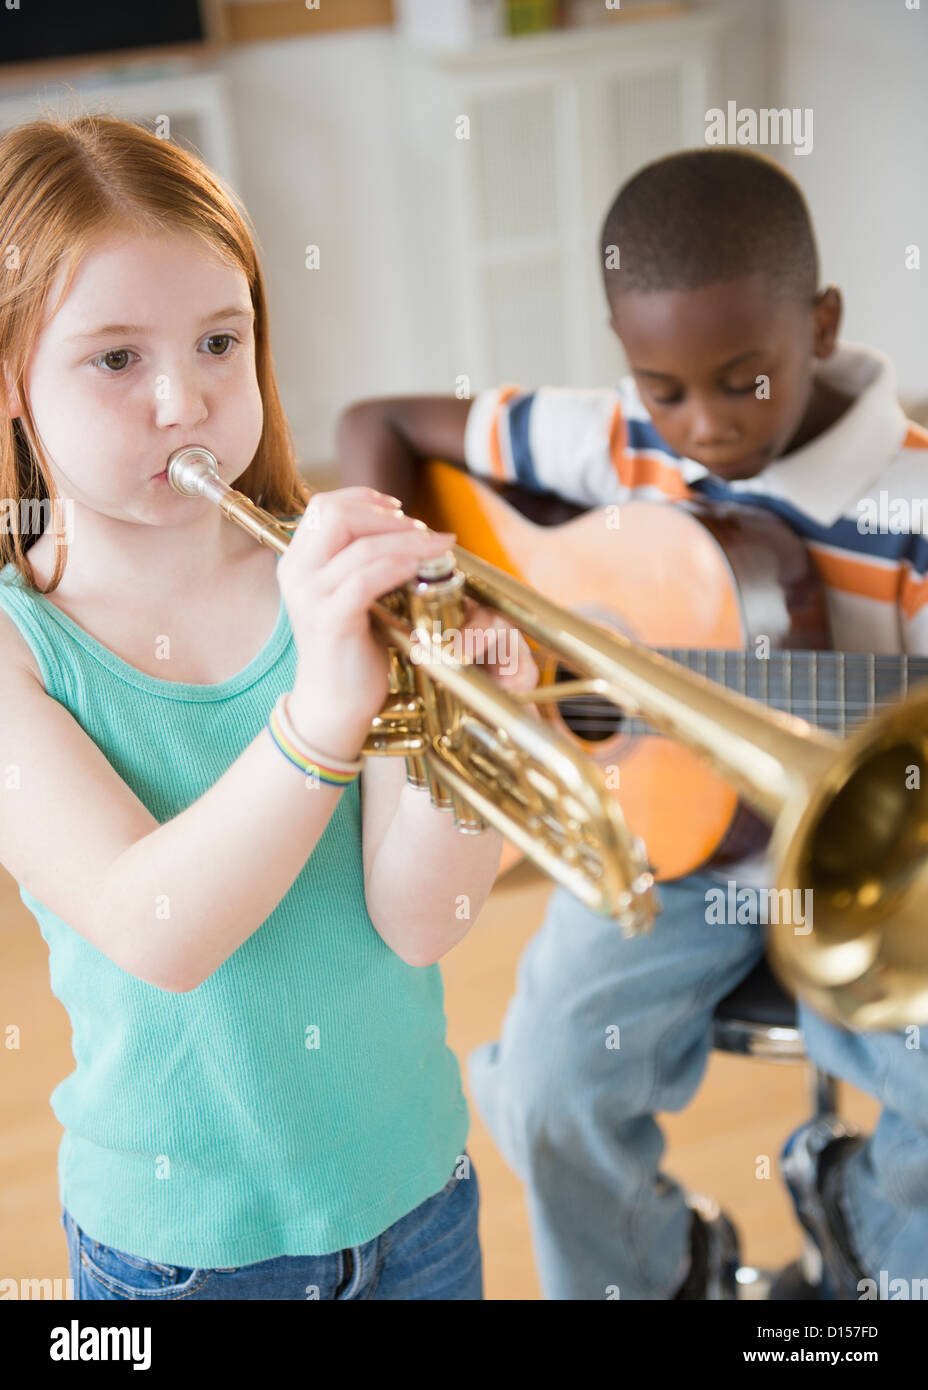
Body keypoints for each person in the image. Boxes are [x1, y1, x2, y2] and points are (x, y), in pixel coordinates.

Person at [337, 149, 928, 1299]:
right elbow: (377, 421)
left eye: (741, 380)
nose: (699, 425)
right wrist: (394, 613)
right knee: (549, 1081)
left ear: (821, 322)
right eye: (664, 387)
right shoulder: (619, 438)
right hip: (669, 858)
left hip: (878, 879)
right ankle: (653, 1275)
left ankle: (866, 1218)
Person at [0, 113, 539, 1301]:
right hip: (179, 1251)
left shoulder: (331, 583)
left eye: (216, 341)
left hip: (417, 1200)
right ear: (11, 383)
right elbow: (157, 932)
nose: (183, 401)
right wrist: (319, 716)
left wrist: (481, 743)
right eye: (115, 358)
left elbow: (421, 920)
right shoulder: (16, 650)